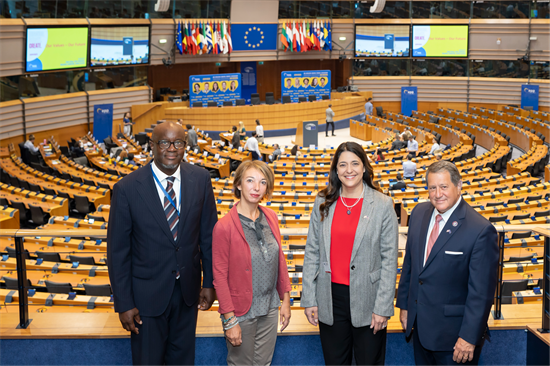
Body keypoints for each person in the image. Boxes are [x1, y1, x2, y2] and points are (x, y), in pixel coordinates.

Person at [107, 122, 218, 366]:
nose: (172, 149)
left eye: (178, 143)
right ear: (152, 146)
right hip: (145, 298)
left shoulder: (200, 179)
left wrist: (210, 283)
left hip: (188, 294)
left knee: (183, 360)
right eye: (164, 142)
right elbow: (118, 253)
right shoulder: (126, 189)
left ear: (185, 145)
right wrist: (123, 303)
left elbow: (209, 236)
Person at [302, 141, 398, 366]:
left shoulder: (383, 205)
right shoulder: (323, 202)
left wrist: (383, 307)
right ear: (336, 169)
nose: (349, 170)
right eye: (343, 165)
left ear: (364, 167)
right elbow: (312, 252)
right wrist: (309, 298)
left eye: (355, 163)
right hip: (329, 298)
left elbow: (389, 259)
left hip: (369, 299)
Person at [396, 161, 498, 366]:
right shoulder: (418, 213)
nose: (437, 194)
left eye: (444, 187)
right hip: (420, 329)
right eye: (432, 187)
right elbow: (411, 266)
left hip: (455, 339)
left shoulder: (480, 230)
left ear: (459, 185)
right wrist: (405, 307)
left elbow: (481, 293)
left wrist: (469, 338)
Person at [212, 160, 292, 366]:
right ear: (238, 184)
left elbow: (279, 260)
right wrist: (230, 320)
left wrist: (285, 299)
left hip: (270, 307)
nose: (257, 187)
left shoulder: (271, 216)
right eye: (250, 180)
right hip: (241, 311)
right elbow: (219, 277)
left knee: (263, 364)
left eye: (263, 182)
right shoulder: (224, 227)